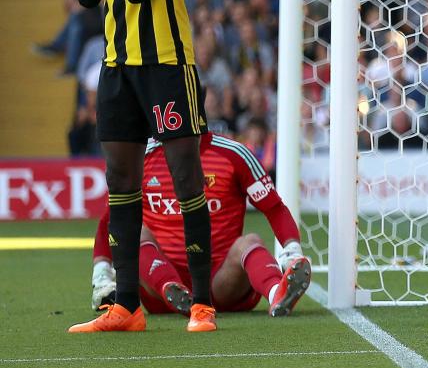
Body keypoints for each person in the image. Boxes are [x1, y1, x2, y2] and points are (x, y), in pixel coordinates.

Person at [69, 0, 215, 333]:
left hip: (166, 64)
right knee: (121, 185)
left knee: (185, 178)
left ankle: (202, 305)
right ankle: (126, 308)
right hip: (117, 67)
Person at [88, 132, 310, 318]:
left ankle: (277, 294)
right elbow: (111, 219)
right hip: (159, 283)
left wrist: (291, 252)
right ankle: (172, 289)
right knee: (135, 233)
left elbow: (273, 207)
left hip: (221, 282)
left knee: (249, 242)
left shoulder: (233, 154)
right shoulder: (143, 157)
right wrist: (102, 277)